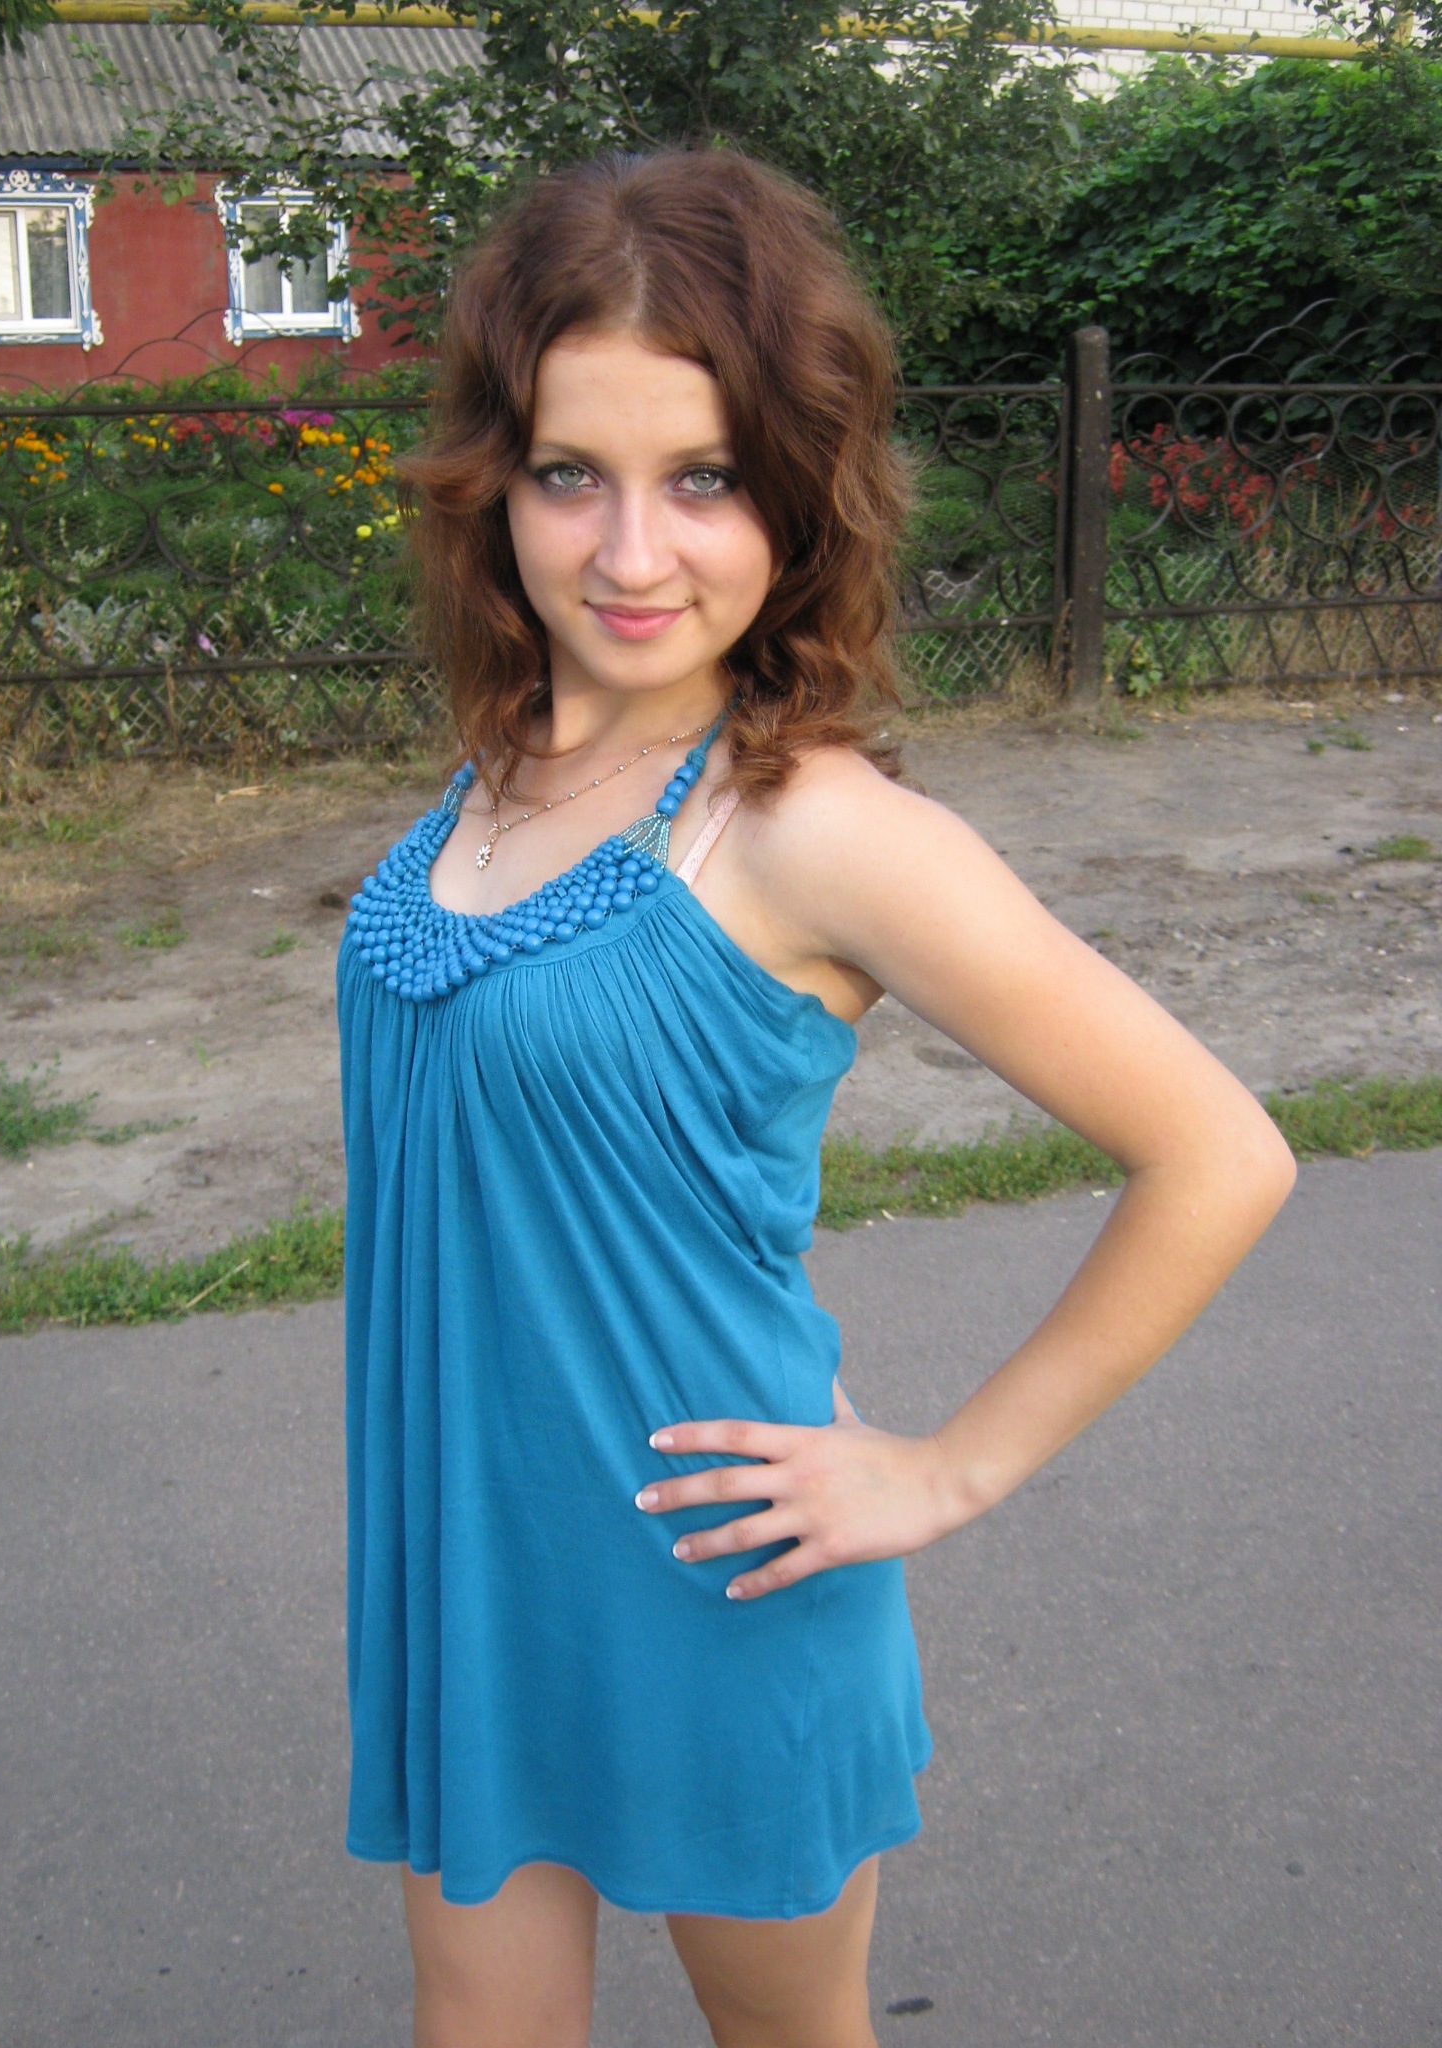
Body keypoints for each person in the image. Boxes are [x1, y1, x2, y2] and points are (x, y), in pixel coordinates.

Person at [336, 146, 1297, 2048]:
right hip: (474, 1568)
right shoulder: (504, 764)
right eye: (571, 474)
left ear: (797, 487)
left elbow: (1220, 1153)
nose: (630, 555)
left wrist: (949, 1467)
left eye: (702, 479)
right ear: (494, 484)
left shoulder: (815, 828)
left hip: (719, 1576)